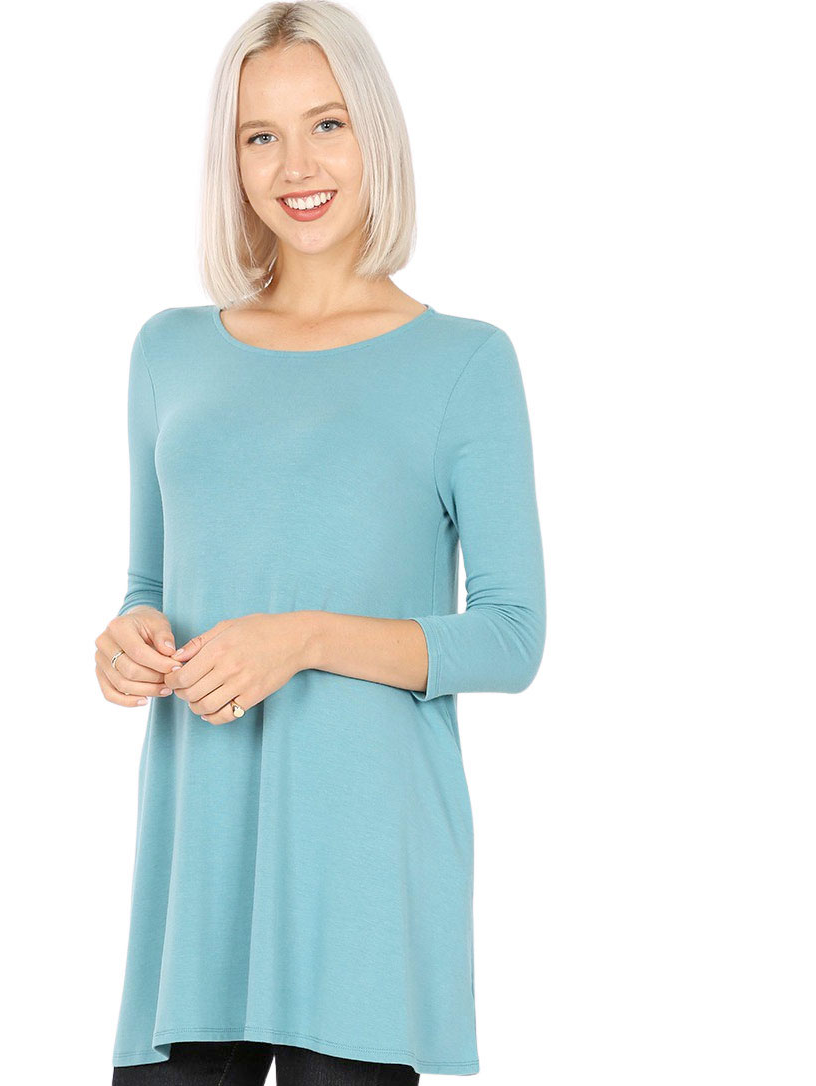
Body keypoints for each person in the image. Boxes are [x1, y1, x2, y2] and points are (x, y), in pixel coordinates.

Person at [93, 3, 547, 1084]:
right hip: (198, 863)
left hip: (362, 874)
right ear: (232, 158)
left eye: (327, 124)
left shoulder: (465, 362)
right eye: (261, 135)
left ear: (373, 132)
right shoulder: (169, 352)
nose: (296, 166)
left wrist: (300, 639)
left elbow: (511, 635)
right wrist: (126, 638)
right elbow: (151, 580)